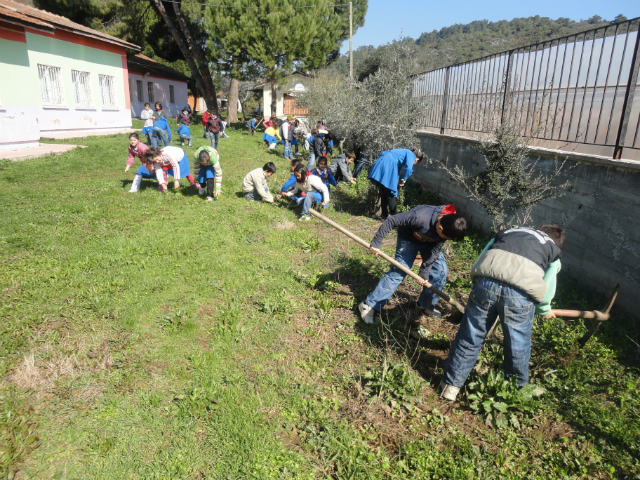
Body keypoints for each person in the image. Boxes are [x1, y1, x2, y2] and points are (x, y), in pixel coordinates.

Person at [439, 225, 564, 402]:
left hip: (486, 282)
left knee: (470, 335)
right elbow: (547, 288)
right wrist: (544, 310)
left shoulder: (511, 232)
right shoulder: (553, 249)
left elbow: (483, 257)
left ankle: (449, 388)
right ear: (557, 241)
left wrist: (479, 283)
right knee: (517, 344)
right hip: (520, 294)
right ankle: (514, 393)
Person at [358, 205, 467, 324]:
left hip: (429, 244)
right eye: (445, 237)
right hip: (408, 239)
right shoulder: (420, 216)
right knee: (399, 271)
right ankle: (369, 305)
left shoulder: (449, 225)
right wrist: (376, 242)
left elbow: (435, 251)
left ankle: (425, 305)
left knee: (440, 271)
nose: (445, 239)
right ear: (440, 227)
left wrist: (424, 272)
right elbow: (392, 220)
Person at [368, 148, 423, 219]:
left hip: (382, 162)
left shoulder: (404, 152)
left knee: (384, 191)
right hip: (388, 164)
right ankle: (395, 217)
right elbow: (408, 169)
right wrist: (404, 180)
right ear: (417, 159)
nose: (414, 163)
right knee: (390, 192)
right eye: (417, 161)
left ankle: (384, 215)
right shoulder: (411, 154)